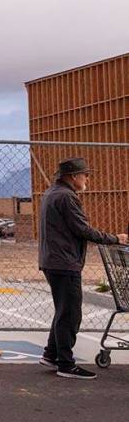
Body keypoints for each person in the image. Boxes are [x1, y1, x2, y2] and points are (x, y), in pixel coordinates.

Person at [38, 157, 127, 380]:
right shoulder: (67, 197)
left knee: (63, 309)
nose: (87, 178)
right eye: (84, 174)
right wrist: (115, 238)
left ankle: (52, 354)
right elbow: (82, 229)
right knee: (70, 313)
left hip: (52, 260)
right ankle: (66, 364)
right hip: (64, 262)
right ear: (73, 176)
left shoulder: (51, 193)